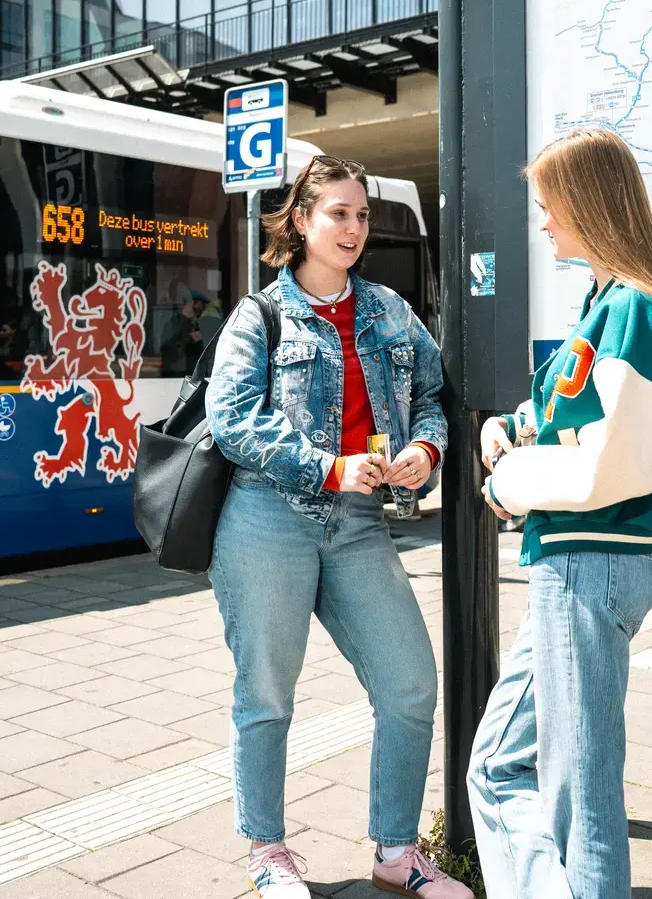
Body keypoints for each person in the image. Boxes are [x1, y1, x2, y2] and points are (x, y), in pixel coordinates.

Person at [206, 156, 473, 898]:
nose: (354, 228)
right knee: (267, 693)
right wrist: (327, 465)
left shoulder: (390, 310)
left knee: (411, 683)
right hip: (267, 517)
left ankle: (396, 851)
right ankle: (268, 851)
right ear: (300, 221)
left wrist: (424, 449)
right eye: (338, 214)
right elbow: (230, 421)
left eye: (361, 215)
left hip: (359, 524)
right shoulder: (259, 315)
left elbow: (429, 395)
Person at [467, 128, 652, 899]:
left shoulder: (632, 305)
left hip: (589, 559)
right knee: (500, 766)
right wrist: (515, 425)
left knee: (580, 796)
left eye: (549, 206)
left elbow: (618, 463)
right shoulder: (608, 300)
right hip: (575, 561)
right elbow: (586, 424)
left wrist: (513, 477)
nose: (542, 223)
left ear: (588, 203)